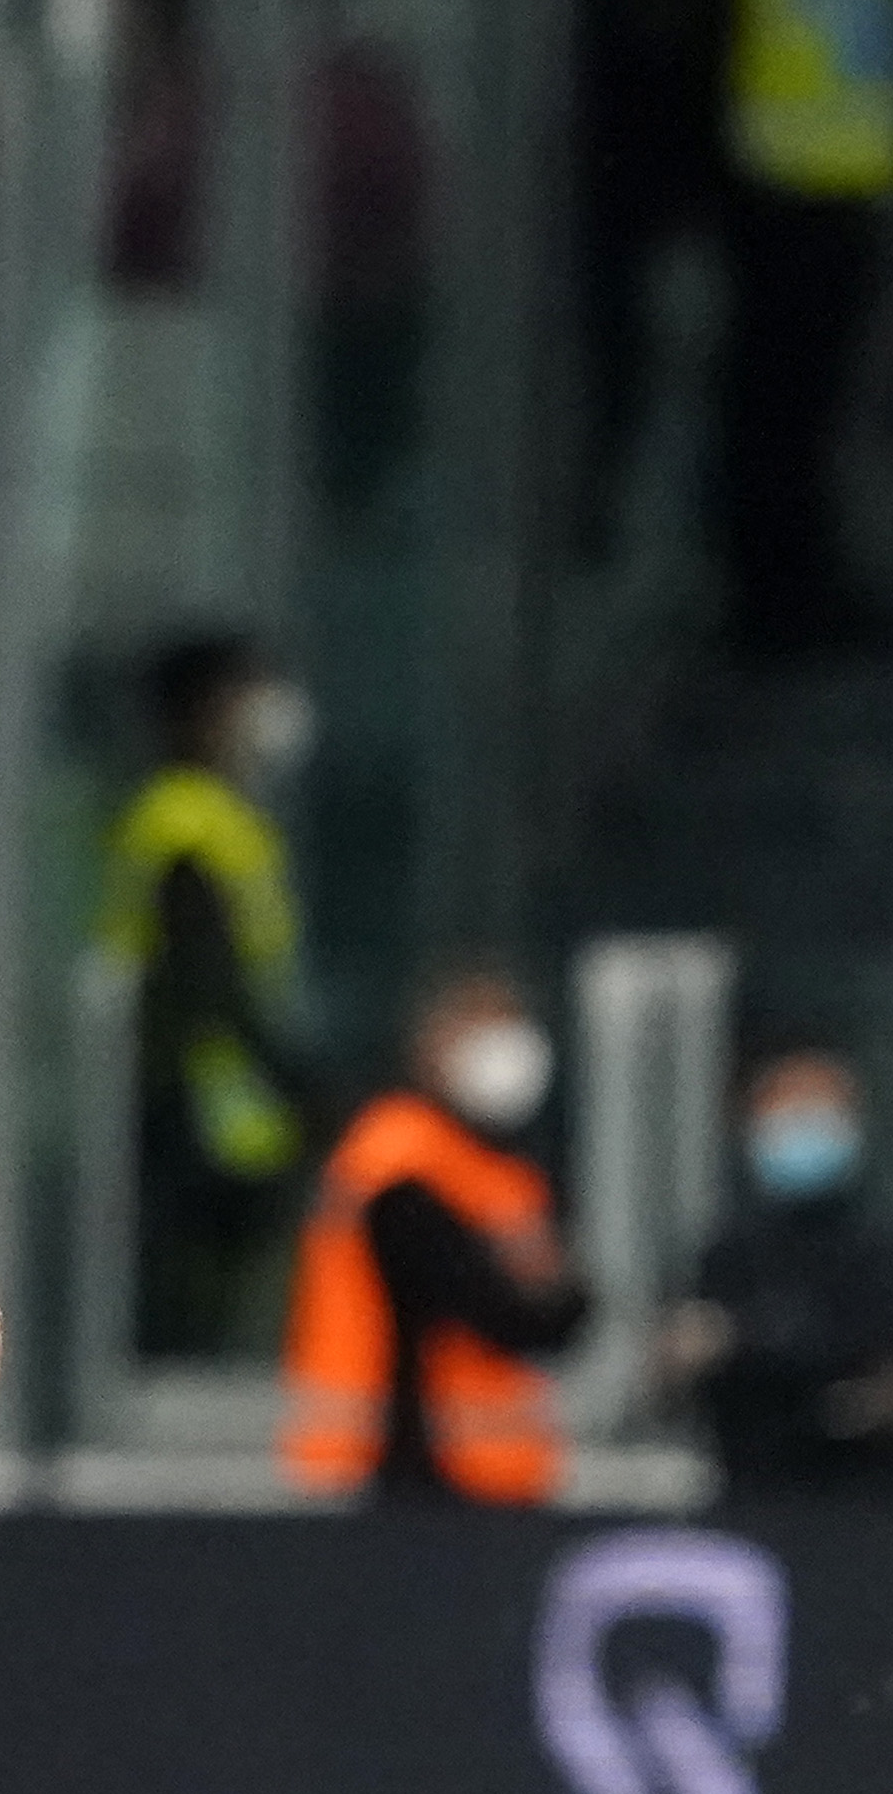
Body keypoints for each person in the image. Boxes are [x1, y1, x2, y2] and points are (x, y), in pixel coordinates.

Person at [282, 969, 590, 1504]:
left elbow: (559, 1314)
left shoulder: (499, 1168)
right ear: (433, 1046)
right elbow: (490, 1305)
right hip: (399, 1465)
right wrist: (546, 1292)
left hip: (484, 1469)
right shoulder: (399, 1164)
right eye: (480, 1030)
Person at [99, 633, 317, 1354]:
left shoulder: (218, 819)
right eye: (241, 694)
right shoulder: (186, 827)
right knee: (208, 1332)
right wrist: (298, 1087)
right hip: (208, 1126)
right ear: (197, 713)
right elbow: (207, 980)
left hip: (219, 1122)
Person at [707, 0, 893, 653]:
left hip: (844, 175)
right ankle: (773, 593)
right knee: (777, 405)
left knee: (813, 405)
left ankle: (796, 582)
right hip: (774, 179)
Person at [666, 1045, 893, 1487]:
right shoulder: (725, 1252)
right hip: (749, 1482)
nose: (802, 1126)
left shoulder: (876, 1248)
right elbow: (685, 1368)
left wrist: (741, 1339)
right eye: (788, 1111)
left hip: (866, 1489)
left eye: (817, 1111)